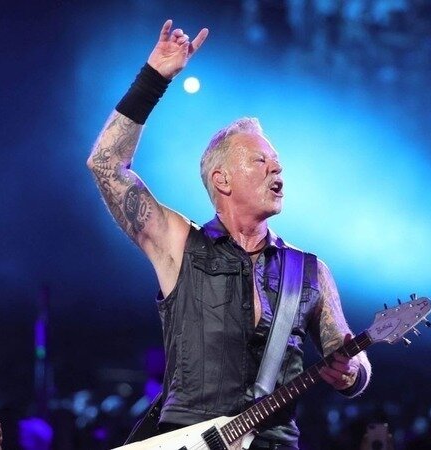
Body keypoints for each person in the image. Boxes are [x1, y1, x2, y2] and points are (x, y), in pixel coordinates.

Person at [87, 19, 371, 449]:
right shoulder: (180, 245)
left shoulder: (309, 272)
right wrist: (154, 78)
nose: (277, 167)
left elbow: (349, 355)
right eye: (260, 161)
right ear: (222, 179)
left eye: (277, 161)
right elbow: (106, 165)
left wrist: (353, 373)